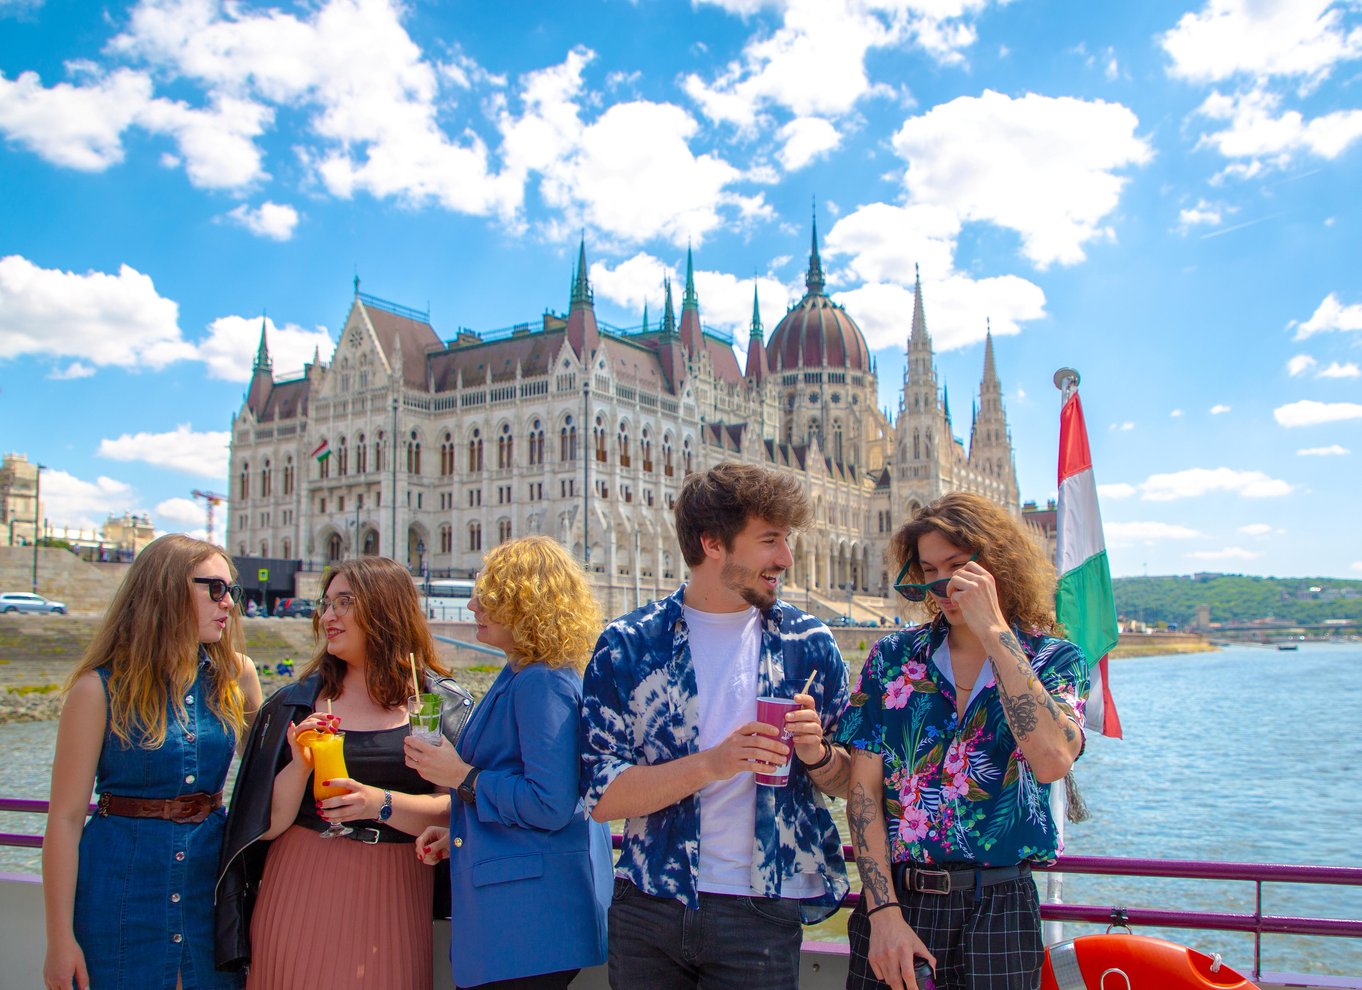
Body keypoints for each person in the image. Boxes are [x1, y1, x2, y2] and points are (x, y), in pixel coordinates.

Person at [581, 461, 851, 990]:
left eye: (787, 539)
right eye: (770, 540)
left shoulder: (809, 646)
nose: (786, 558)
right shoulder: (628, 645)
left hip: (762, 912)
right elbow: (602, 797)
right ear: (712, 543)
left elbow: (855, 782)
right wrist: (713, 764)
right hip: (649, 903)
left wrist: (818, 756)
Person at [836, 492, 1090, 990]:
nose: (943, 587)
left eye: (957, 567)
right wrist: (882, 912)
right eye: (929, 571)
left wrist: (994, 631)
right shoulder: (893, 658)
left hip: (1001, 909)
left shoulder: (1056, 661)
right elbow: (864, 794)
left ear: (997, 564)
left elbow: (1052, 760)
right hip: (899, 904)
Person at [215, 556, 474, 989]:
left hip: (395, 890)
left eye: (344, 603)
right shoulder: (294, 704)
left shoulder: (438, 705)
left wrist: (379, 804)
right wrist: (300, 765)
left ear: (384, 609)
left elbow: (455, 811)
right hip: (300, 880)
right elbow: (265, 823)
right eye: (326, 603)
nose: (327, 616)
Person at [43, 533, 263, 990]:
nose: (228, 603)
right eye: (215, 589)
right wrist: (60, 940)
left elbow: (267, 777)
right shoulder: (97, 689)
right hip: (119, 890)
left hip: (210, 887)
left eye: (232, 591)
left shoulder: (237, 675)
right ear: (166, 590)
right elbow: (64, 819)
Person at [407, 535, 612, 990]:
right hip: (526, 921)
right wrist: (461, 834)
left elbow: (550, 804)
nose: (472, 607)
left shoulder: (541, 681)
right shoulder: (528, 672)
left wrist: (461, 776)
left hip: (527, 925)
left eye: (488, 597)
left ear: (525, 604)